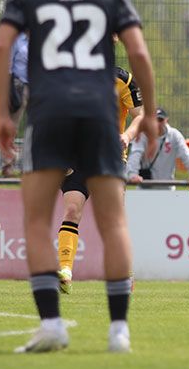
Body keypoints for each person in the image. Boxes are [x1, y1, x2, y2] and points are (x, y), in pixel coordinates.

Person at [0, 0, 158, 354]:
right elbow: (138, 53)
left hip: (50, 112)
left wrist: (2, 113)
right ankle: (119, 330)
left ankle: (51, 325)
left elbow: (3, 46)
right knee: (113, 220)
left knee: (36, 219)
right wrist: (153, 117)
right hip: (100, 116)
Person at [56, 61, 145, 294]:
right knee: (72, 210)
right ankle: (65, 271)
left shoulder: (123, 79)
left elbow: (140, 116)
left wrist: (126, 136)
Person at [126, 107, 189, 184]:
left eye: (160, 120)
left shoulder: (174, 135)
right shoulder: (142, 135)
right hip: (146, 186)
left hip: (167, 186)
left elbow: (186, 155)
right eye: (154, 120)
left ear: (166, 120)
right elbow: (135, 154)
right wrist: (133, 174)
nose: (157, 123)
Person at [2, 32, 30, 177]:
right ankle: (8, 164)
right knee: (12, 127)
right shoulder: (17, 40)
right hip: (19, 86)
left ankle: (32, 166)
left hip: (39, 86)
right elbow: (8, 65)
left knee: (39, 127)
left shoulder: (42, 37)